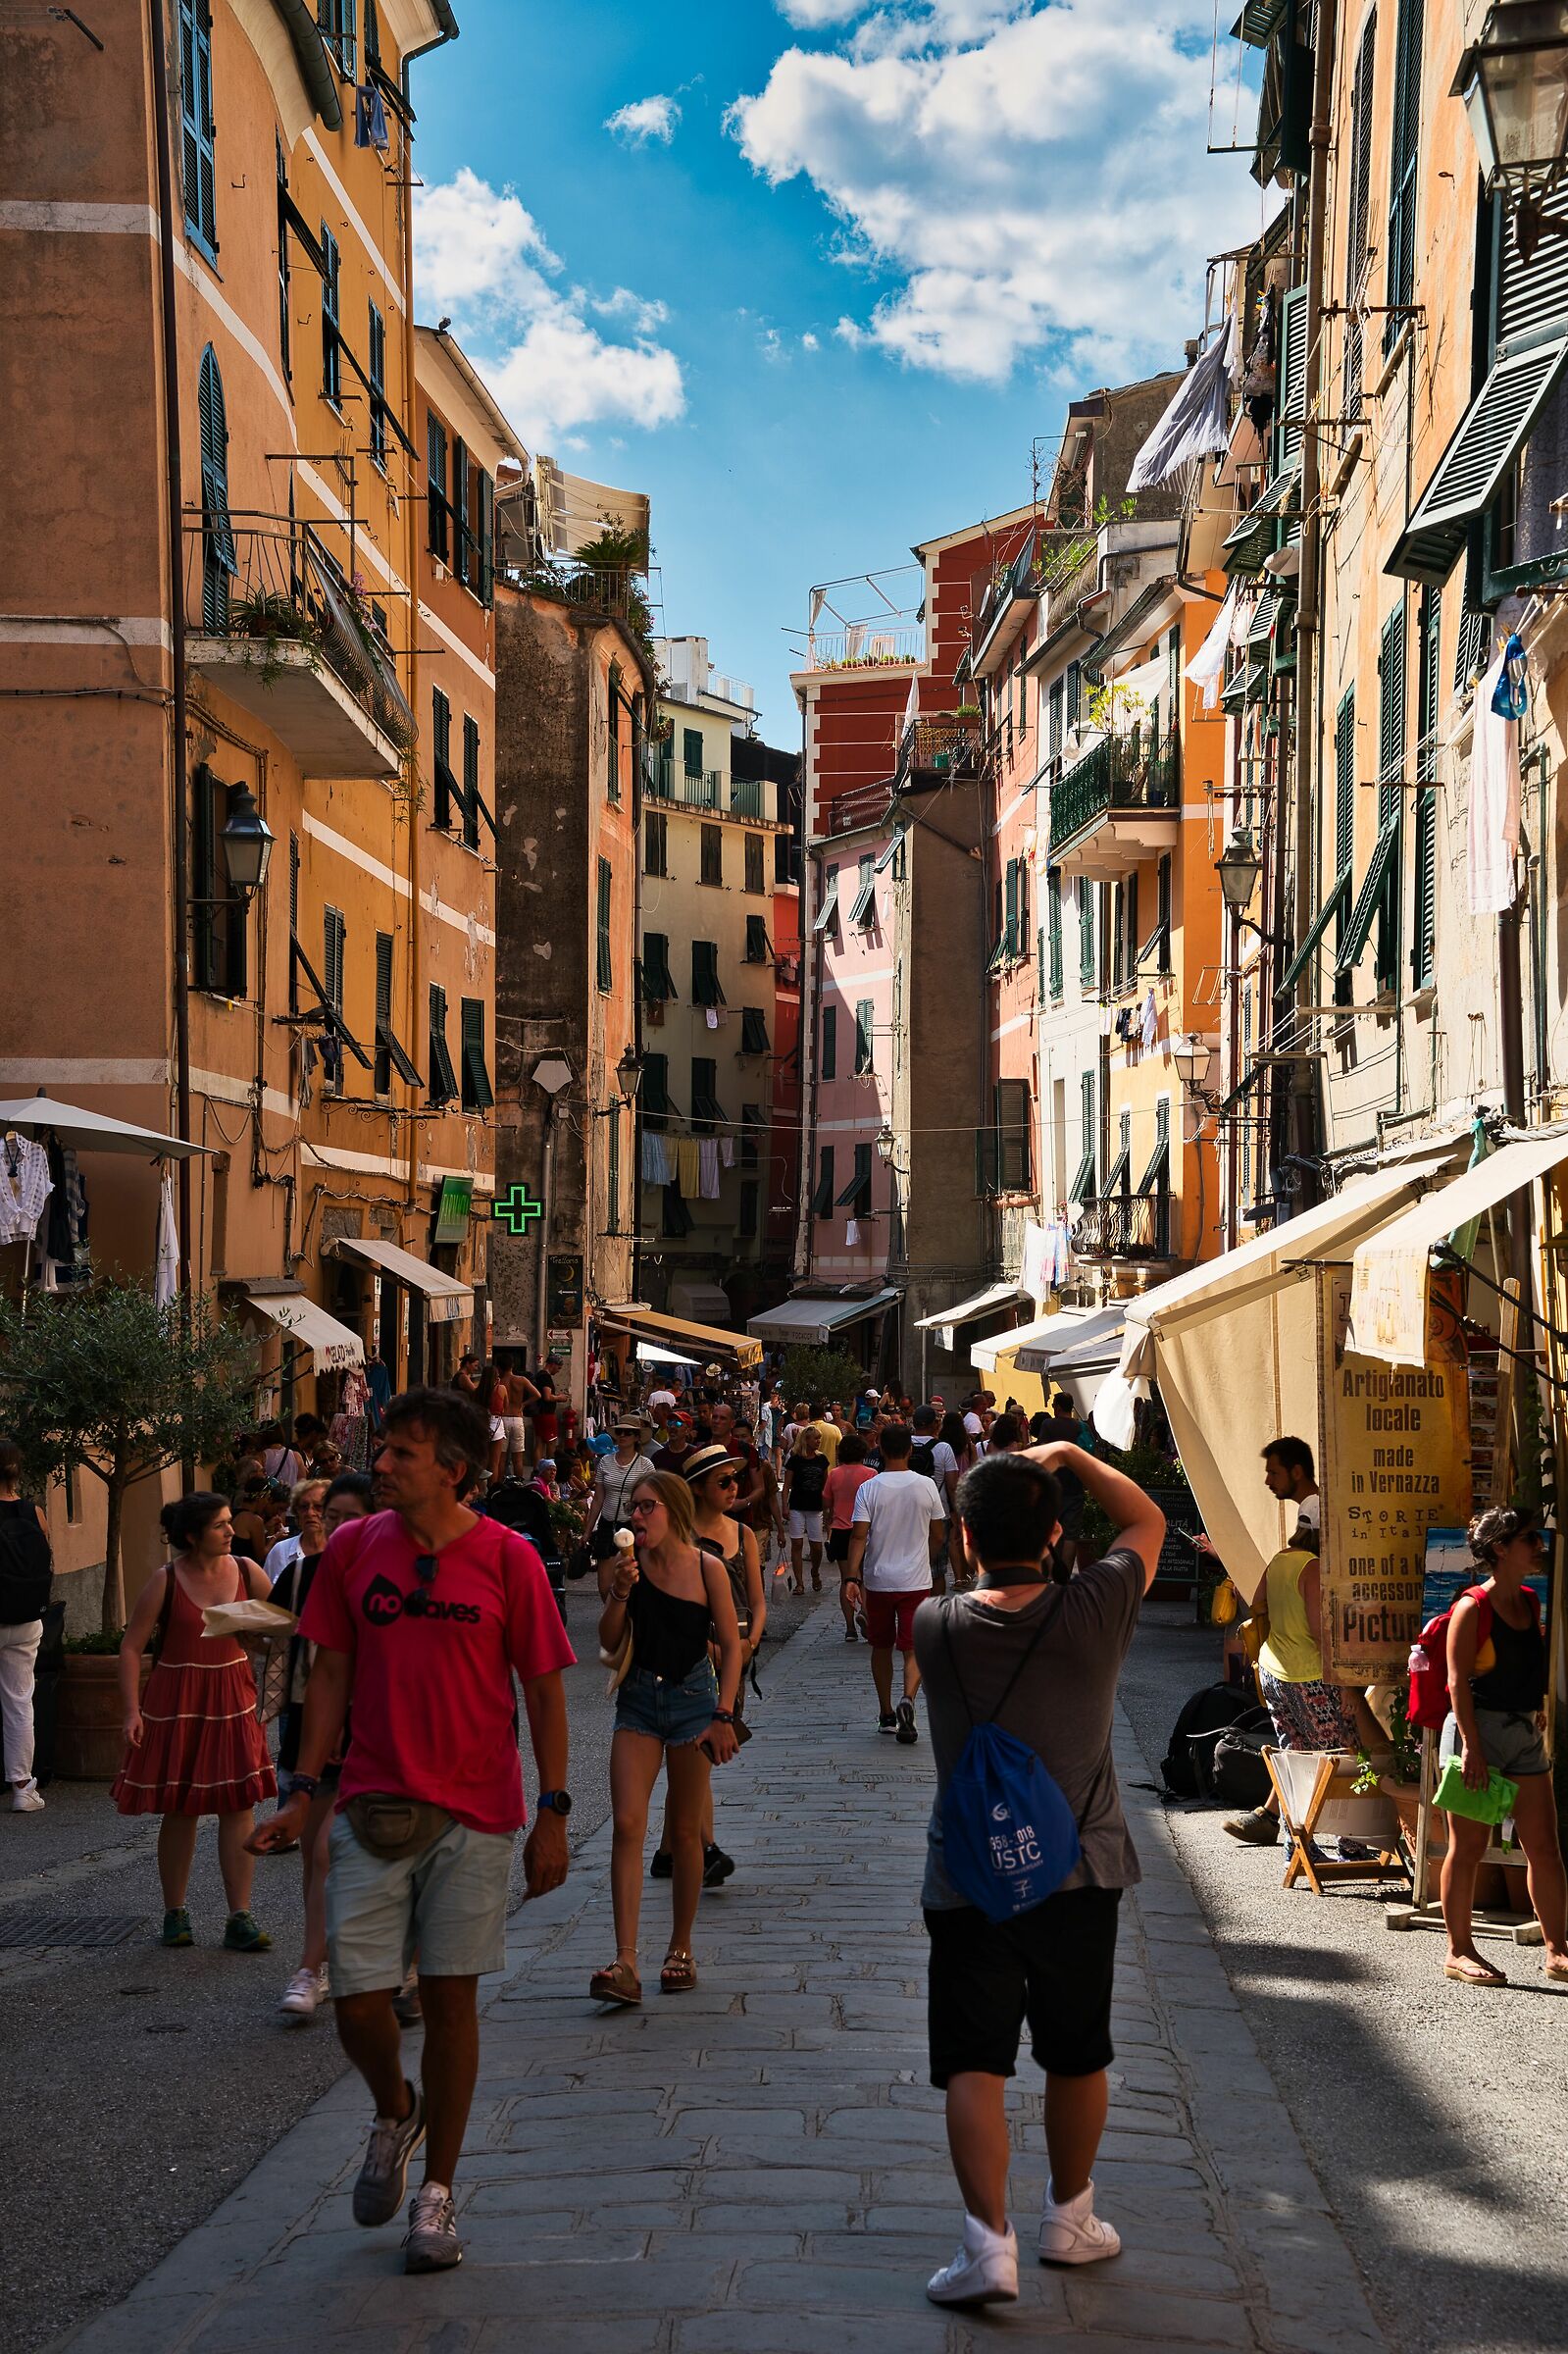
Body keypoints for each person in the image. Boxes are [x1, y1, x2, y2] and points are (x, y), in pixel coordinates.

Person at [248, 1388, 574, 2274]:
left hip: (475, 1810)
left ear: (453, 1470)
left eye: (401, 1452)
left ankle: (436, 2195)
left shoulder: (509, 1559)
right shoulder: (354, 1548)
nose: (380, 1464)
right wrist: (301, 1793)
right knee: (357, 2002)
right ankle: (395, 2105)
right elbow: (330, 1678)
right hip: (370, 1802)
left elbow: (544, 1690)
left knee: (451, 1998)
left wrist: (553, 1812)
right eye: (382, 1447)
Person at [916, 1445, 1165, 2306]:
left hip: (968, 1873)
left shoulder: (935, 1625)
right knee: (1074, 2049)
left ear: (967, 1539)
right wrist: (1070, 1454)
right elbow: (1146, 1521)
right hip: (1078, 1867)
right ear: (1055, 1533)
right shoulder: (1095, 1607)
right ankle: (1069, 2216)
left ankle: (987, 2243)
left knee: (973, 2060)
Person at [590, 1472, 742, 2006]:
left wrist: (724, 1714)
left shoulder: (708, 1569)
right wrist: (619, 1593)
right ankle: (625, 1959)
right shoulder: (628, 1569)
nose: (635, 1518)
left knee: (683, 1832)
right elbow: (608, 1642)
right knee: (628, 1823)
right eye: (632, 1508)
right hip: (638, 1697)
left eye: (645, 1507)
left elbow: (730, 1642)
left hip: (693, 1701)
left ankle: (681, 1947)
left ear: (673, 1510)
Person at [112, 1494, 278, 1949]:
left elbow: (281, 1628)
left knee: (238, 1804)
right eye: (220, 1525)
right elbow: (131, 1647)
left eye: (230, 1524)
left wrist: (257, 1633)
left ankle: (239, 1916)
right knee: (181, 1807)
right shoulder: (165, 1580)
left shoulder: (247, 1571)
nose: (231, 1531)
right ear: (192, 1536)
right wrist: (131, 1711)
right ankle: (175, 1913)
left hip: (232, 1697)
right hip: (176, 1700)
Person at [1439, 1507, 1568, 1988]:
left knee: (1544, 1848)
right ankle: (1459, 1952)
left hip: (1522, 1734)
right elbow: (1456, 1683)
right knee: (1468, 1847)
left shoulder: (1530, 1602)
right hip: (1479, 1732)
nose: (1538, 1545)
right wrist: (1471, 1746)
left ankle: (1557, 1950)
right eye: (1529, 1538)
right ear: (1500, 1548)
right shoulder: (1473, 1607)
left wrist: (1534, 1709)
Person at [649, 1444, 768, 1890]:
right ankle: (706, 1849)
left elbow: (757, 1601)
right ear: (696, 1490)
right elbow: (668, 1605)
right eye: (724, 1481)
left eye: (735, 1479)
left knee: (695, 1754)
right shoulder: (675, 1536)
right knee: (696, 1748)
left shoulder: (744, 1533)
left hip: (735, 1654)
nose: (734, 1486)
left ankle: (666, 1852)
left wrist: (748, 1643)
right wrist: (710, 1647)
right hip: (690, 1655)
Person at [1221, 1527, 1361, 1847]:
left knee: (1295, 1758)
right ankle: (1349, 1845)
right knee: (1337, 1758)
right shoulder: (1312, 1566)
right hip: (1307, 1673)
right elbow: (1317, 1629)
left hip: (1273, 1669)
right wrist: (1346, 1679)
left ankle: (1296, 1846)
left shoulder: (1279, 1560)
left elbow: (1257, 1604)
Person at [270, 1479, 336, 2021]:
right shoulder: (298, 1572)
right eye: (318, 1512)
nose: (325, 1522)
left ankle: (315, 1963)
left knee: (327, 1853)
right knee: (317, 1855)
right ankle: (318, 1965)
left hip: (372, 1728)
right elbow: (273, 1628)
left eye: (337, 1514)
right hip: (310, 1718)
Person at [844, 1423, 946, 1742]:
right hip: (916, 1580)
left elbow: (859, 1534)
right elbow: (939, 1534)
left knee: (881, 1646)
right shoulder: (927, 1486)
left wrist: (851, 1575)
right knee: (913, 1649)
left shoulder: (870, 1488)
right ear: (910, 1451)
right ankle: (909, 1699)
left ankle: (886, 1712)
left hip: (878, 1580)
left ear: (881, 1450)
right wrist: (925, 1557)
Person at [0, 1440, 52, 1813]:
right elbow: (49, 1563)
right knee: (20, 1702)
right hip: (26, 1617)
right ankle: (22, 1788)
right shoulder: (34, 1512)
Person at [824, 1434, 878, 1640]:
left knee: (847, 1579)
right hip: (864, 1531)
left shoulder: (834, 1474)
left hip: (840, 1530)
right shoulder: (871, 1474)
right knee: (865, 1580)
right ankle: (865, 1613)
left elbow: (826, 1502)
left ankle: (849, 1629)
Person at [586, 1417, 660, 1553]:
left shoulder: (645, 1465)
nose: (622, 1435)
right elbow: (598, 1500)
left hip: (632, 1524)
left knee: (629, 1569)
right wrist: (588, 1531)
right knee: (605, 1572)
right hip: (607, 1524)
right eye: (619, 1432)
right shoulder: (605, 1461)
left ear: (637, 1437)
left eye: (627, 1432)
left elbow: (652, 1501)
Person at [781, 1422, 830, 1595]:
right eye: (815, 1438)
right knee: (797, 1543)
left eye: (819, 1438)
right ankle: (799, 1583)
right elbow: (786, 1485)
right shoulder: (795, 1459)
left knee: (817, 1546)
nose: (818, 1441)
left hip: (815, 1506)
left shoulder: (822, 1459)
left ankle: (815, 1572)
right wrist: (784, 1505)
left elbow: (826, 1484)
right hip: (797, 1505)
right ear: (806, 1440)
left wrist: (828, 1505)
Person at [264, 1477, 329, 1589]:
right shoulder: (280, 1551)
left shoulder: (342, 1554)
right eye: (304, 1507)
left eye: (318, 1507)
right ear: (296, 1512)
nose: (309, 1513)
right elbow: (265, 1601)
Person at [501, 1353, 539, 1476]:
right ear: (512, 1366)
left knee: (501, 1458)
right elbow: (537, 1395)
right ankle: (518, 1483)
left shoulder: (499, 1381)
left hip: (503, 1418)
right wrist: (523, 1404)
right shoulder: (521, 1380)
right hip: (517, 1418)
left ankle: (498, 1486)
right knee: (517, 1458)